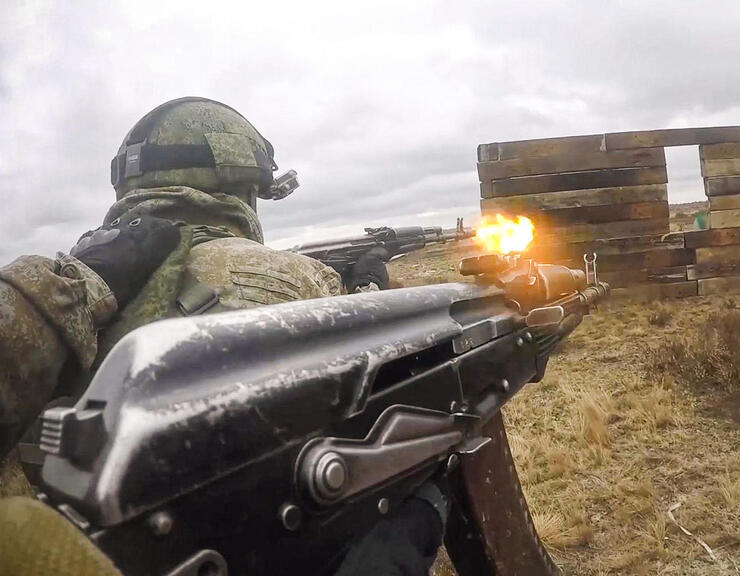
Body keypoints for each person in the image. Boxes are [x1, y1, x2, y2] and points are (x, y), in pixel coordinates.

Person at [0, 97, 443, 575]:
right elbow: (379, 380)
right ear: (243, 187)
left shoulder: (76, 282)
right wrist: (370, 287)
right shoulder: (294, 277)